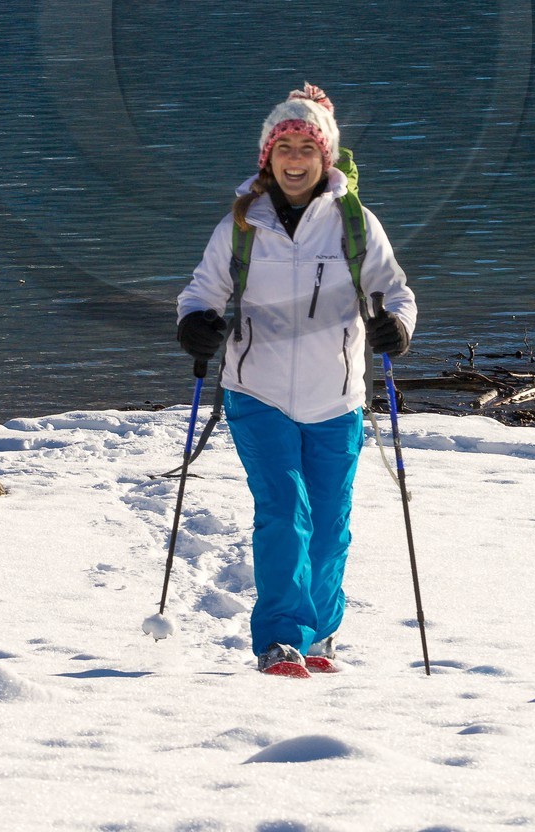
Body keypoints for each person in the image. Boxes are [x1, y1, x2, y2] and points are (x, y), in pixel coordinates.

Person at [175, 82, 417, 678]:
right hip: (256, 391)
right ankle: (279, 641)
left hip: (336, 398)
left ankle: (319, 637)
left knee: (331, 522)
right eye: (283, 147)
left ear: (324, 158)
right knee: (285, 511)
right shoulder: (242, 224)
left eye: (307, 148)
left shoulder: (355, 225)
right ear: (268, 157)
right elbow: (202, 292)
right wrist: (196, 326)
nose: (294, 159)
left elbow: (397, 294)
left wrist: (396, 329)